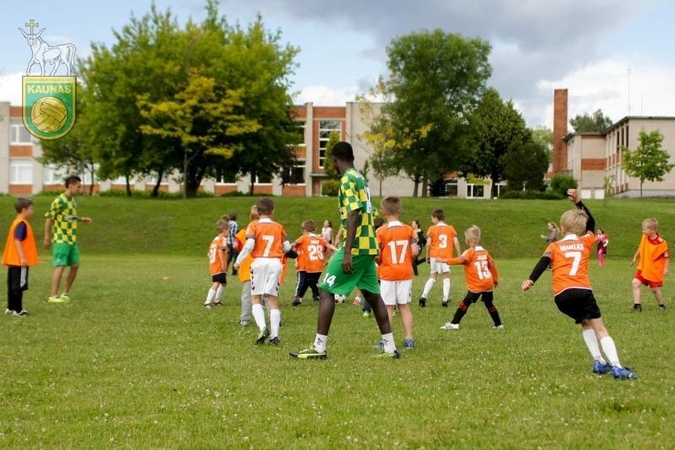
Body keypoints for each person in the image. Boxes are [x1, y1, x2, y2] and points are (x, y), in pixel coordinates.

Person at [290, 141, 400, 359]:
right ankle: (390, 348)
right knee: (373, 295)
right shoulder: (361, 179)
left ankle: (319, 348)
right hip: (369, 245)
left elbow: (353, 214)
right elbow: (370, 211)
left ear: (335, 158)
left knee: (325, 289)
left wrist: (347, 251)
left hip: (356, 246)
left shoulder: (347, 179)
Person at [521, 189, 637, 380]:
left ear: (562, 229)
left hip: (561, 296)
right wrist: (578, 202)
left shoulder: (554, 246)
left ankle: (599, 362)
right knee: (600, 329)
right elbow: (591, 222)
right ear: (582, 230)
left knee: (585, 323)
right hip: (582, 291)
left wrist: (530, 280)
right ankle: (617, 367)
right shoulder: (586, 241)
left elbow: (542, 263)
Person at [234, 197, 291, 346]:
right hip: (275, 264)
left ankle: (263, 327)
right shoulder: (279, 227)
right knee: (272, 300)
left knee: (255, 298)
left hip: (259, 262)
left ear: (258, 212)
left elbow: (249, 244)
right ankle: (274, 335)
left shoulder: (254, 226)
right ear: (273, 211)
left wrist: (238, 261)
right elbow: (287, 248)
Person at [439, 225, 503, 330]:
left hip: (477, 284)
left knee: (465, 303)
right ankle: (498, 324)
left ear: (468, 240)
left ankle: (454, 323)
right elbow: (492, 264)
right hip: (488, 282)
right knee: (489, 303)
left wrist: (446, 260)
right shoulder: (484, 252)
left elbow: (462, 260)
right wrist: (495, 279)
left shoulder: (470, 252)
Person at [376, 196, 419, 349]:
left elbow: (376, 254)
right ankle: (409, 338)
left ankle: (388, 340)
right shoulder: (409, 230)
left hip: (388, 273)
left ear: (383, 212)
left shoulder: (381, 231)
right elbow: (414, 251)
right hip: (405, 272)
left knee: (388, 307)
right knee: (404, 306)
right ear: (400, 211)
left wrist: (379, 261)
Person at [43, 175, 92, 303]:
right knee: (60, 265)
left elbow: (69, 217)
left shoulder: (73, 201)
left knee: (75, 265)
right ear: (71, 186)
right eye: (78, 186)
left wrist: (82, 219)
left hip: (71, 238)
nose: (80, 189)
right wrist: (47, 237)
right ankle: (53, 296)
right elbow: (49, 217)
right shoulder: (59, 200)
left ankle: (65, 293)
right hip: (61, 239)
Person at [418, 208, 461, 308]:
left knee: (433, 276)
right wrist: (459, 255)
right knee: (446, 276)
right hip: (446, 256)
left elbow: (428, 244)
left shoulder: (432, 229)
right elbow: (456, 242)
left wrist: (427, 255)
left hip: (434, 255)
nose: (432, 220)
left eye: (432, 218)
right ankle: (445, 299)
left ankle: (423, 296)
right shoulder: (450, 228)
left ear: (436, 218)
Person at [3, 198, 39, 317]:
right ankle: (18, 310)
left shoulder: (15, 222)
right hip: (19, 261)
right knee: (19, 285)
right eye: (31, 209)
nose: (32, 211)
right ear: (24, 210)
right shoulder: (22, 223)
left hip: (13, 259)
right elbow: (17, 240)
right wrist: (23, 258)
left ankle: (10, 307)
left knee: (12, 284)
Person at [291, 219, 336, 306]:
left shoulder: (304, 238)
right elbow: (328, 245)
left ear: (303, 230)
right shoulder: (319, 238)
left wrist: (283, 247)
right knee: (311, 282)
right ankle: (316, 296)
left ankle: (298, 297)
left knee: (302, 281)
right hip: (318, 265)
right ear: (315, 229)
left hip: (307, 265)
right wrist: (338, 251)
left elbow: (294, 244)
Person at [630, 218, 669, 312]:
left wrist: (666, 268)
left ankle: (661, 305)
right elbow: (641, 247)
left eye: (645, 229)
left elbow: (666, 256)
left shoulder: (661, 243)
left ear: (653, 230)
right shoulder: (644, 237)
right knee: (635, 283)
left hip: (653, 269)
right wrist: (635, 257)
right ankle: (637, 306)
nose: (643, 231)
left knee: (654, 289)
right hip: (643, 267)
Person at [234, 205, 259, 327]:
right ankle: (276, 319)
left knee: (247, 295)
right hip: (264, 265)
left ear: (250, 216)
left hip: (248, 266)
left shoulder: (245, 231)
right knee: (268, 295)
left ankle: (244, 319)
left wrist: (238, 260)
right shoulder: (268, 228)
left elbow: (235, 245)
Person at [203, 216, 229, 309]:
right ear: (225, 230)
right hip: (219, 265)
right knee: (216, 283)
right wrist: (223, 264)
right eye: (228, 230)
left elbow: (208, 253)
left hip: (213, 263)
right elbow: (220, 251)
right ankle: (207, 302)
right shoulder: (223, 239)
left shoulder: (215, 239)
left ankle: (217, 300)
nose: (229, 233)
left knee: (223, 283)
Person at [226, 210, 239, 276]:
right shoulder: (235, 224)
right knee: (235, 257)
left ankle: (224, 270)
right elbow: (233, 233)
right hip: (234, 242)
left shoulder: (227, 223)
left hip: (228, 242)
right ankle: (234, 272)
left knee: (228, 257)